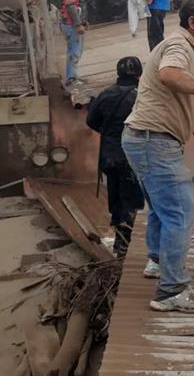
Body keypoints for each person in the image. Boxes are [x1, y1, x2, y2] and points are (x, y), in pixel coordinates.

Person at [121, 0, 194, 313]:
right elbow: (170, 75)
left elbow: (173, 96)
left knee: (160, 208)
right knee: (179, 213)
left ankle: (157, 262)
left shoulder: (186, 46)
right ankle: (171, 290)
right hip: (154, 141)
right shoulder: (179, 46)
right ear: (192, 23)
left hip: (145, 139)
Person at [86, 56, 145, 258]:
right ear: (139, 74)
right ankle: (125, 247)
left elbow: (91, 121)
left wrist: (109, 132)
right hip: (132, 156)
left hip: (109, 157)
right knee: (132, 202)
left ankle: (120, 244)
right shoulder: (140, 96)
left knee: (117, 200)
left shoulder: (105, 94)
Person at [59, 0, 89, 88]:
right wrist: (78, 24)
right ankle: (71, 79)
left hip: (74, 23)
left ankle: (73, 76)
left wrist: (83, 21)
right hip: (71, 24)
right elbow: (70, 6)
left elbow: (78, 5)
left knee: (77, 50)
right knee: (74, 51)